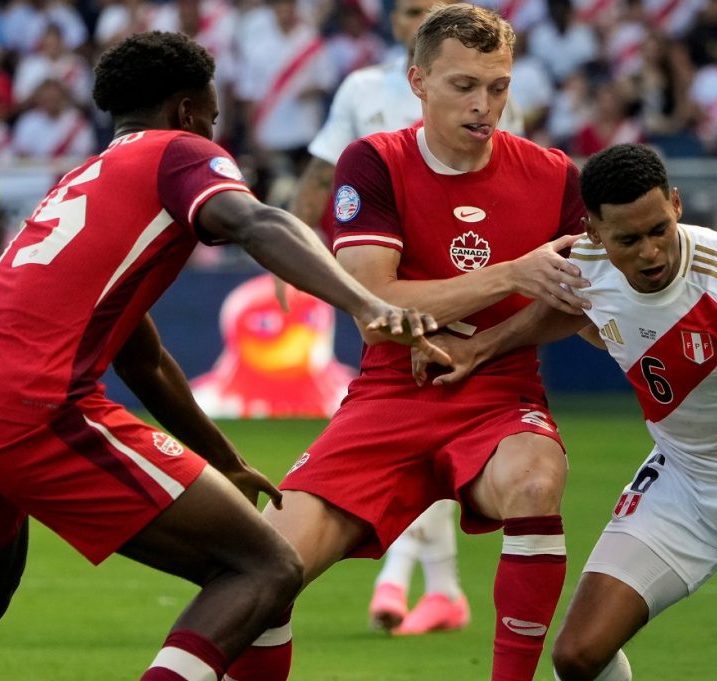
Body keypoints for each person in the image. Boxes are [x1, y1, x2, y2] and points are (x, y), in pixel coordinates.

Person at [0, 31, 445, 681]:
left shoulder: (85, 177)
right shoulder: (180, 152)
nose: (214, 128)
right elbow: (257, 223)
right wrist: (365, 303)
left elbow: (140, 358)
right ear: (185, 110)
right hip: (28, 402)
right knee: (265, 567)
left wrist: (225, 459)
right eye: (211, 113)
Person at [410, 143, 717, 681]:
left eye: (660, 229)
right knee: (578, 656)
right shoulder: (581, 266)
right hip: (682, 483)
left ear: (676, 204)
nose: (651, 252)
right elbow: (560, 311)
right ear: (593, 232)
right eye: (628, 240)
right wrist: (481, 346)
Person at [223, 6, 591, 681]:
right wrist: (512, 273)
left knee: (538, 481)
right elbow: (378, 298)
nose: (485, 105)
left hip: (500, 396)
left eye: (499, 86)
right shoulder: (374, 160)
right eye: (464, 86)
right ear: (417, 81)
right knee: (261, 567)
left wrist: (490, 341)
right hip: (390, 393)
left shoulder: (556, 175)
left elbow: (574, 303)